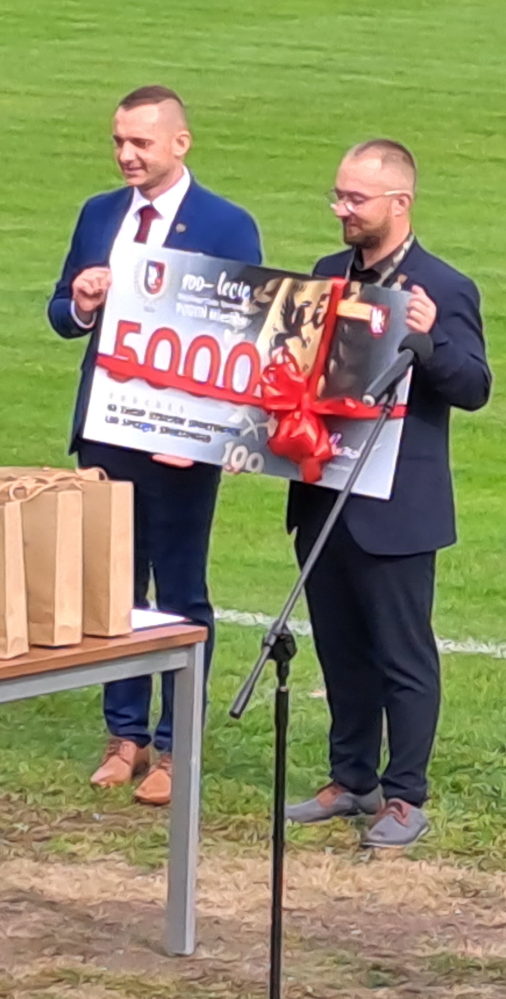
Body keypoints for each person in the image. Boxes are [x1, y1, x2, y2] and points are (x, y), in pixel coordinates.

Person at [46, 85, 262, 806]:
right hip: (108, 430)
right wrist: (81, 302)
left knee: (180, 590)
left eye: (140, 142)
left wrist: (204, 438)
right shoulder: (99, 213)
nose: (126, 155)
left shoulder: (227, 225)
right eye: (118, 141)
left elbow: (244, 337)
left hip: (180, 444)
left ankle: (177, 746)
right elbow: (60, 311)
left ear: (179, 142)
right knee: (113, 587)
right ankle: (125, 734)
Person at [284, 139, 491, 848]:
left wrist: (430, 341)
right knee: (339, 648)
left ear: (399, 203)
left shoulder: (444, 287)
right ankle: (351, 777)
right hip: (325, 494)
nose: (341, 209)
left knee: (403, 656)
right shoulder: (325, 275)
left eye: (355, 199)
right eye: (338, 196)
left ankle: (405, 794)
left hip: (397, 505)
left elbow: (475, 387)